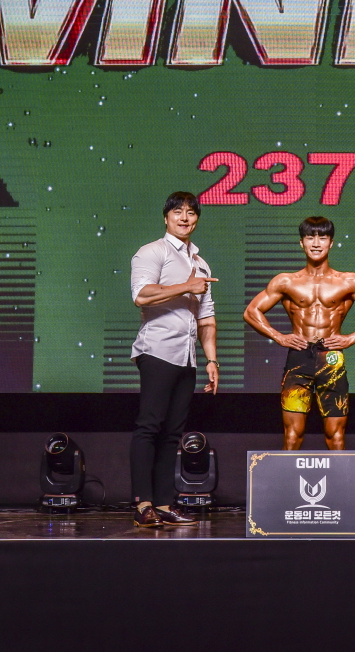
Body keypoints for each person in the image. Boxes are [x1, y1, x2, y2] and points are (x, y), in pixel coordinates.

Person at [128, 191, 219, 528]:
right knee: (149, 426)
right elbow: (141, 295)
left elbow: (206, 318)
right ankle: (143, 504)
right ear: (166, 217)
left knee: (172, 433)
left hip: (187, 357)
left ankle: (164, 504)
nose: (184, 218)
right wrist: (186, 286)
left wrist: (212, 361)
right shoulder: (153, 251)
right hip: (157, 351)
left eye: (191, 213)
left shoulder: (201, 263)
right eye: (178, 212)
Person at [243, 216, 355, 451]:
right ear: (301, 242)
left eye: (322, 237)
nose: (316, 243)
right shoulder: (286, 281)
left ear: (331, 242)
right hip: (298, 358)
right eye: (310, 237)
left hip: (331, 359)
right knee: (293, 436)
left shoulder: (349, 281)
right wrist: (279, 336)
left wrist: (351, 338)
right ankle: (288, 478)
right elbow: (251, 312)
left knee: (336, 436)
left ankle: (338, 477)